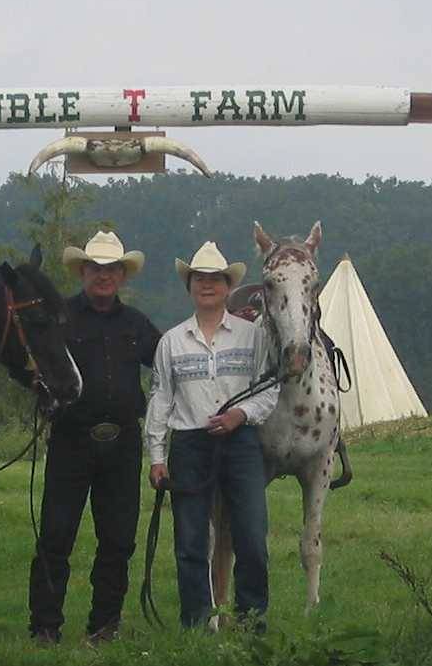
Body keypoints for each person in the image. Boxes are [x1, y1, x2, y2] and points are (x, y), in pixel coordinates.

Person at [28, 230, 162, 644]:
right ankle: (45, 627)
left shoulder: (138, 324)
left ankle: (105, 625)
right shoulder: (59, 318)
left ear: (122, 275)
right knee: (55, 535)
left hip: (122, 445)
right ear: (83, 272)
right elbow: (35, 366)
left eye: (111, 269)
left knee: (118, 539)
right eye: (95, 268)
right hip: (71, 440)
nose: (103, 276)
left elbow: (168, 365)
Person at [145, 241, 279, 629]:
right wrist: (156, 456)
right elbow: (161, 399)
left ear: (227, 286)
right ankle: (197, 623)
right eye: (199, 279)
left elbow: (269, 389)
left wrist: (241, 414)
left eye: (215, 279)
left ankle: (252, 621)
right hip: (189, 444)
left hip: (240, 443)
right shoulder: (171, 341)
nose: (207, 285)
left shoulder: (252, 336)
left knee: (252, 536)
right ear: (190, 286)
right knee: (190, 542)